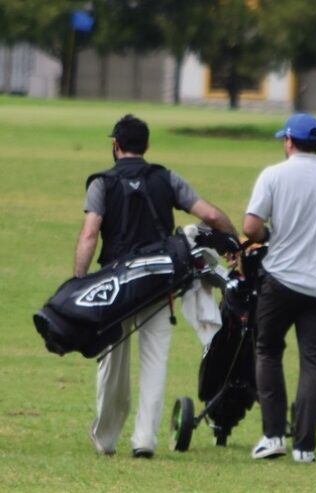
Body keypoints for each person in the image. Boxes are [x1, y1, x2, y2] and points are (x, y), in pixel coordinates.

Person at [75, 114, 238, 458]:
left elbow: (90, 233)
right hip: (158, 283)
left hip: (115, 286)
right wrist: (234, 239)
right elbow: (208, 214)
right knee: (155, 362)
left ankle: (105, 437)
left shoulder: (101, 182)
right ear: (146, 146)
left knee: (111, 364)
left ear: (116, 146)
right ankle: (144, 441)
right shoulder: (165, 178)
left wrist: (78, 282)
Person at [243, 113, 316, 463]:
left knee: (267, 351)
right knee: (313, 362)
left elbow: (251, 227)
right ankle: (305, 447)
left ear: (289, 142)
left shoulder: (274, 175)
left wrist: (271, 237)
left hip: (280, 280)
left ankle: (273, 435)